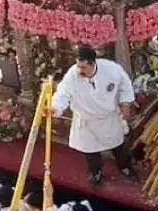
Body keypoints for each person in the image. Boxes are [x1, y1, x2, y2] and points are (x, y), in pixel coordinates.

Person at [52, 46, 137, 186]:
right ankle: (95, 172)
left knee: (118, 147)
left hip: (108, 117)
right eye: (78, 66)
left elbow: (125, 83)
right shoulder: (72, 75)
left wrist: (125, 101)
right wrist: (55, 107)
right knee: (90, 152)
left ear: (92, 63)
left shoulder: (111, 69)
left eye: (83, 67)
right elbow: (63, 93)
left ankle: (125, 167)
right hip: (86, 120)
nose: (79, 71)